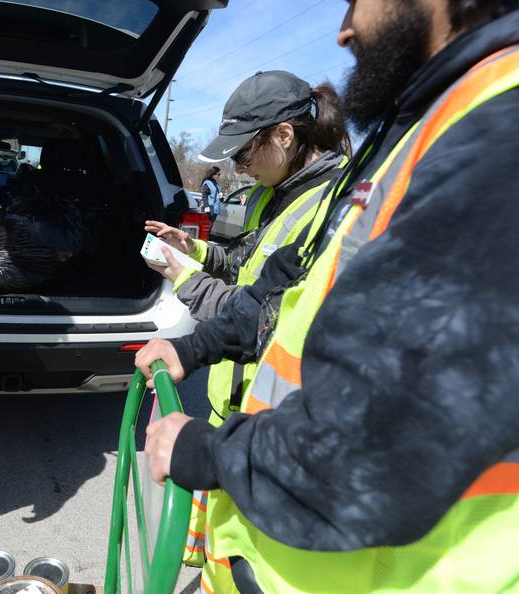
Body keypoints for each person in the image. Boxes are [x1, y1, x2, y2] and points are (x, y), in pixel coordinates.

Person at [138, 0, 519, 592]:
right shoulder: (411, 137)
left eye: (355, 1)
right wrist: (194, 347)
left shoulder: (510, 132)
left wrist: (211, 454)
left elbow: (391, 441)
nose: (345, 28)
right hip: (284, 549)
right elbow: (286, 284)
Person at [144, 72, 351, 567]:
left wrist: (185, 279)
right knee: (223, 539)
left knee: (254, 551)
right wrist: (193, 248)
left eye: (243, 153)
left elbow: (266, 316)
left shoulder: (332, 207)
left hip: (273, 412)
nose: (239, 165)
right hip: (234, 396)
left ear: (284, 135)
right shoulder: (271, 191)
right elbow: (246, 263)